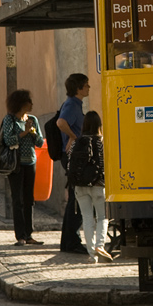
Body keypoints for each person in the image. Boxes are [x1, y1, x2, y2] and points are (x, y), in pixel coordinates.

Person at [67, 111, 111, 263]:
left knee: (86, 217)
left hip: (80, 186)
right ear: (99, 125)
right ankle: (100, 246)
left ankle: (92, 254)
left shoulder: (77, 142)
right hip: (99, 184)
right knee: (102, 217)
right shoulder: (103, 141)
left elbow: (69, 164)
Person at [1, 89, 44, 246]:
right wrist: (24, 132)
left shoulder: (33, 120)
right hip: (16, 164)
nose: (32, 104)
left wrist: (32, 133)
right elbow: (8, 140)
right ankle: (20, 235)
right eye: (29, 101)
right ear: (20, 104)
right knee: (17, 199)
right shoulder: (10, 120)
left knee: (29, 199)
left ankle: (29, 234)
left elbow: (40, 143)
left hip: (30, 162)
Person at [57, 73, 90, 254]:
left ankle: (69, 241)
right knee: (76, 200)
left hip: (75, 156)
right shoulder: (71, 104)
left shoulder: (75, 104)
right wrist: (73, 136)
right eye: (86, 85)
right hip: (73, 157)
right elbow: (61, 123)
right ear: (78, 88)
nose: (88, 88)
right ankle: (71, 242)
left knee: (76, 199)